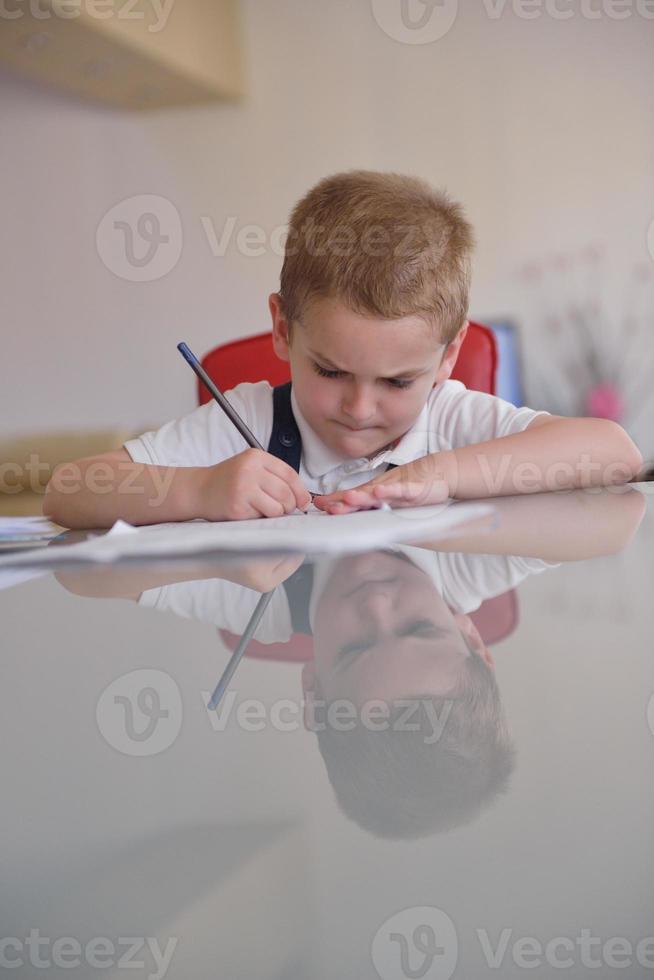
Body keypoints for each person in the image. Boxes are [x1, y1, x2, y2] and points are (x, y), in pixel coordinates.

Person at [43, 171, 642, 529]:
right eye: (331, 370)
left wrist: (445, 474)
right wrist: (198, 490)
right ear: (283, 328)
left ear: (450, 354)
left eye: (398, 382)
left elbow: (614, 453)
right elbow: (69, 490)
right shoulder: (249, 420)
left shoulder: (452, 421)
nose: (358, 408)